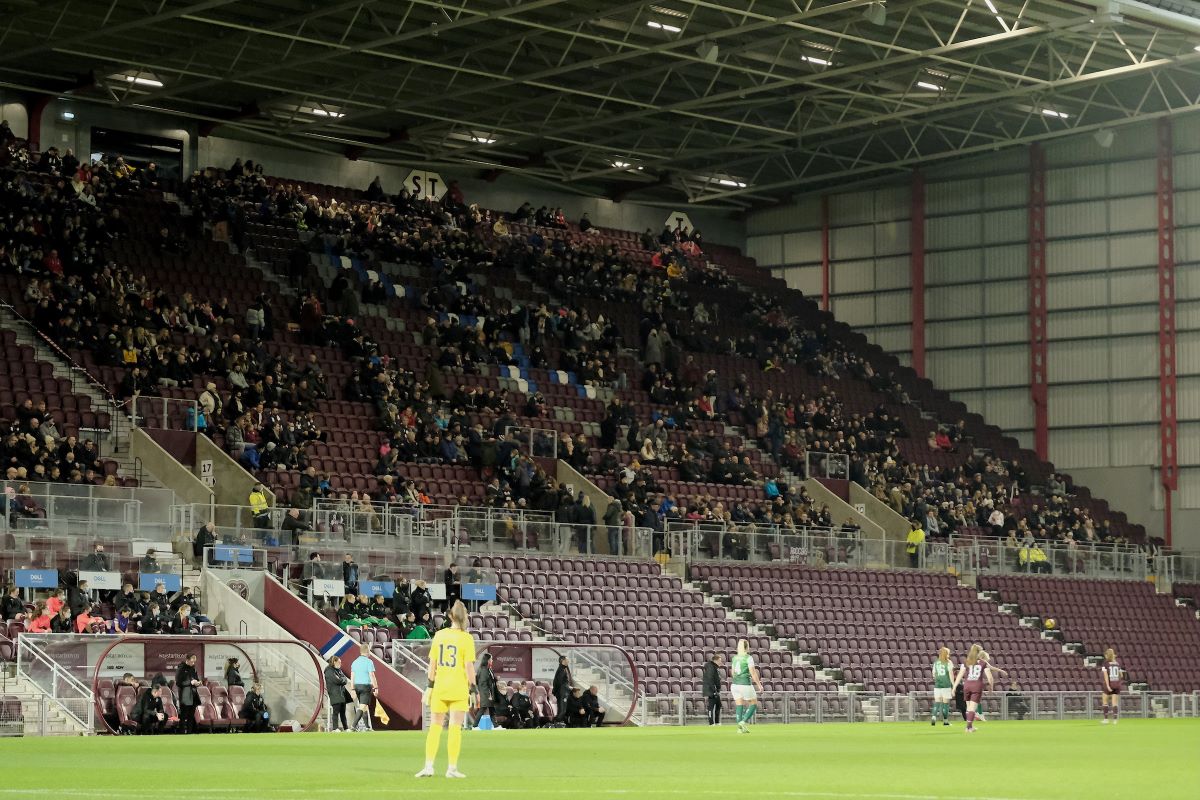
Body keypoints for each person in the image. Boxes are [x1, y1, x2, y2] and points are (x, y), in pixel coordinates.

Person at [416, 600, 476, 779]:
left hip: (440, 687)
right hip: (458, 688)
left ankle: (428, 766)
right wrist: (473, 689)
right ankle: (451, 768)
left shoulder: (440, 635)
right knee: (455, 728)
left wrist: (429, 686)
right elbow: (469, 667)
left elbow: (432, 664)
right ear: (465, 617)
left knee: (435, 727)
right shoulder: (467, 638)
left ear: (450, 616)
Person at [950, 643, 992, 734]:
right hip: (976, 685)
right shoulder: (983, 663)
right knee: (973, 708)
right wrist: (991, 687)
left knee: (968, 707)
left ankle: (970, 727)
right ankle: (968, 728)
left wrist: (954, 688)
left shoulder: (966, 662)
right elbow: (990, 677)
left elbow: (959, 675)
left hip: (967, 685)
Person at [730, 638, 763, 734]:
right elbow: (753, 672)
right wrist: (759, 685)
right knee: (753, 703)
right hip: (745, 684)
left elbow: (732, 672)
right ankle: (743, 721)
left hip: (735, 684)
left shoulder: (735, 658)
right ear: (747, 647)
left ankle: (740, 729)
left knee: (739, 704)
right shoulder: (748, 658)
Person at [349, 643, 378, 732]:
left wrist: (352, 689)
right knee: (362, 707)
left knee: (364, 707)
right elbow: (372, 675)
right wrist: (376, 687)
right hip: (365, 686)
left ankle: (367, 727)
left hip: (357, 686)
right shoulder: (369, 662)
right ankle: (353, 726)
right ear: (368, 651)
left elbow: (352, 676)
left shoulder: (354, 662)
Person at [175, 654, 202, 734]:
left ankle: (190, 733)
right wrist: (190, 682)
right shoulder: (181, 669)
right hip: (185, 696)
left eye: (194, 661)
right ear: (187, 659)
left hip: (193, 695)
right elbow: (178, 683)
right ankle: (182, 733)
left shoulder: (193, 668)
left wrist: (198, 682)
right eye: (192, 661)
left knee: (191, 716)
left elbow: (196, 679)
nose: (193, 662)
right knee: (183, 716)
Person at [325, 655, 352, 732]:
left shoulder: (339, 670)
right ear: (334, 662)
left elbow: (345, 679)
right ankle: (335, 728)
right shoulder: (329, 671)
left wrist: (342, 680)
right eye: (339, 662)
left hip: (342, 694)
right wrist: (342, 680)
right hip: (335, 694)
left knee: (343, 712)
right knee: (336, 712)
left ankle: (346, 728)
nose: (340, 664)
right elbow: (337, 681)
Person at [931, 646, 954, 726]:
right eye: (948, 653)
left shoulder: (936, 662)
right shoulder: (948, 662)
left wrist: (937, 679)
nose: (949, 655)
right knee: (945, 704)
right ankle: (945, 721)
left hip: (937, 685)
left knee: (937, 702)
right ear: (946, 654)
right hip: (946, 685)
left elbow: (933, 674)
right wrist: (953, 685)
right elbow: (951, 674)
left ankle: (934, 716)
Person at [474, 653, 499, 727]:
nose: (492, 660)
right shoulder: (483, 670)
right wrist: (489, 695)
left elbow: (490, 681)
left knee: (492, 710)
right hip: (485, 694)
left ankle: (496, 726)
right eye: (491, 659)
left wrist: (496, 679)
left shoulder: (488, 669)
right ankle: (474, 726)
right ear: (487, 660)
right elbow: (483, 684)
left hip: (489, 694)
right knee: (482, 710)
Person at [1100, 647, 1123, 725]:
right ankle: (1115, 720)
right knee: (1114, 703)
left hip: (1109, 684)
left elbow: (1106, 676)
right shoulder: (1117, 663)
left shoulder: (1105, 663)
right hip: (1117, 684)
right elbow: (1121, 675)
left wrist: (1108, 686)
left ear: (1107, 655)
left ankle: (1106, 719)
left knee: (1105, 701)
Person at [702, 653, 724, 725]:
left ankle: (717, 722)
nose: (721, 662)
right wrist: (714, 690)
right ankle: (711, 723)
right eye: (720, 661)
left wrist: (718, 689)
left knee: (718, 705)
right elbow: (710, 679)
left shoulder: (715, 667)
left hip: (715, 690)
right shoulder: (711, 667)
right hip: (711, 690)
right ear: (715, 660)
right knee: (711, 707)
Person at [551, 655, 571, 722]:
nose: (568, 661)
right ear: (562, 661)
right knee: (562, 711)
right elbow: (559, 683)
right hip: (562, 693)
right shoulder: (561, 670)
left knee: (563, 710)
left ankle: (559, 724)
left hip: (563, 692)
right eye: (567, 660)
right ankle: (554, 723)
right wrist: (557, 692)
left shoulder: (563, 669)